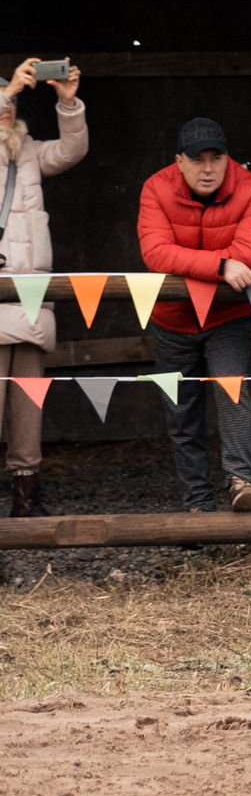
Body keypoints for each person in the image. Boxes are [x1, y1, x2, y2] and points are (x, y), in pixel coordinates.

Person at [136, 117, 251, 512]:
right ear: (179, 161)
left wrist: (225, 264)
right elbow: (155, 254)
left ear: (229, 160)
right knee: (181, 413)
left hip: (228, 315)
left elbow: (249, 257)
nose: (208, 168)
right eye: (197, 159)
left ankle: (242, 483)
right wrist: (220, 266)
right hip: (171, 318)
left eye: (216, 158)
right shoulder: (155, 187)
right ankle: (197, 503)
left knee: (232, 390)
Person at [0, 59, 87, 516]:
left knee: (28, 404)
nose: (8, 106)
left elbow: (72, 150)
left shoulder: (28, 151)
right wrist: (10, 89)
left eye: (12, 101)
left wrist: (68, 102)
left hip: (32, 300)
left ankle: (25, 496)